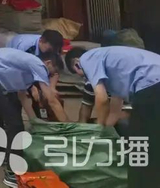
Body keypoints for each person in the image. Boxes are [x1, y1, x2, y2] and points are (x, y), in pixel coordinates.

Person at [0, 48, 66, 188]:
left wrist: (35, 122)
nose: (49, 76)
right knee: (15, 123)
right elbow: (52, 100)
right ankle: (12, 173)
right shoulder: (38, 65)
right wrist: (68, 127)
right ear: (48, 63)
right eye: (52, 72)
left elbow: (22, 97)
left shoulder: (25, 68)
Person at [66, 46, 160, 187]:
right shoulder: (114, 72)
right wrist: (105, 132)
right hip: (154, 80)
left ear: (76, 64)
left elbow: (102, 99)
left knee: (139, 145)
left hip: (151, 84)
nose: (86, 78)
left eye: (81, 75)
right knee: (154, 142)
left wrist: (97, 131)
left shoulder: (87, 58)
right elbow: (114, 112)